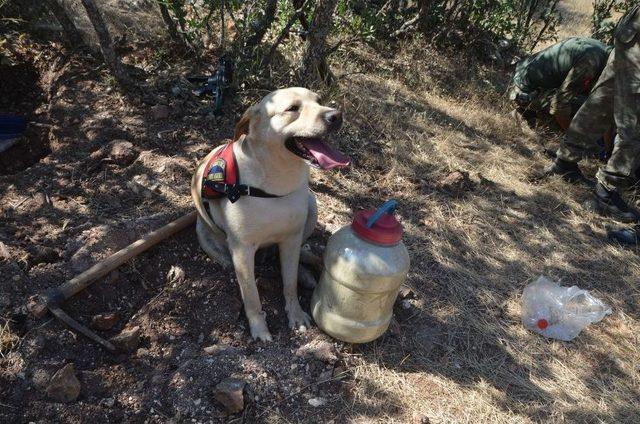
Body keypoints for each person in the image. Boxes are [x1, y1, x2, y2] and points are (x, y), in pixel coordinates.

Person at [544, 5, 640, 223]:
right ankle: (607, 190)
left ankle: (565, 162)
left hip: (631, 34)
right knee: (634, 120)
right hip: (636, 42)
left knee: (602, 100)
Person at [509, 37, 611, 130]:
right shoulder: (590, 62)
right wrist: (572, 136)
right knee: (587, 108)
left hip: (526, 75)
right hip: (524, 91)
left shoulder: (604, 51)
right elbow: (559, 105)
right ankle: (528, 113)